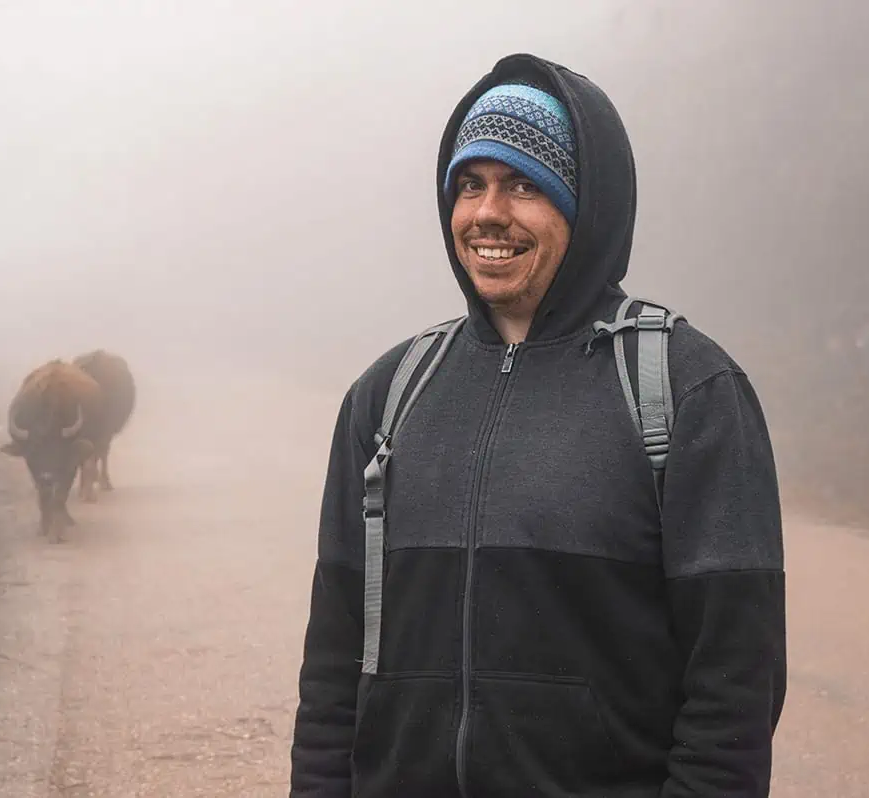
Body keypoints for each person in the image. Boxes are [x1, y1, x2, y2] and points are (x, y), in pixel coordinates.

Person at [288, 52, 787, 798]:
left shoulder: (688, 390)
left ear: (587, 205)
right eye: (470, 184)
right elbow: (332, 669)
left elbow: (734, 692)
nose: (488, 213)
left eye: (523, 183)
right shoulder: (388, 393)